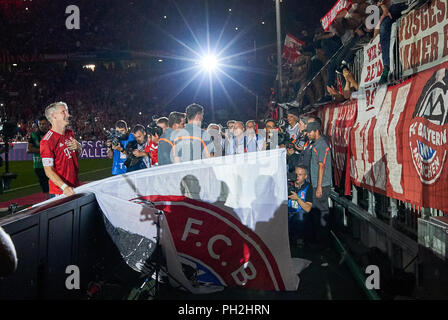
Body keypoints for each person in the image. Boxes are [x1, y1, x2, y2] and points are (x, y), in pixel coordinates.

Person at [40, 102, 81, 198]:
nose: (68, 115)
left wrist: (78, 147)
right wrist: (64, 187)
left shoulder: (70, 133)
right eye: (64, 112)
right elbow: (48, 171)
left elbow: (74, 158)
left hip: (74, 187)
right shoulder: (47, 141)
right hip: (60, 192)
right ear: (53, 116)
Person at [305, 121, 333, 246]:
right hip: (317, 183)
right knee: (318, 212)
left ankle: (323, 242)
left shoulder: (321, 145)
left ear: (316, 131)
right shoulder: (316, 144)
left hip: (321, 185)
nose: (307, 134)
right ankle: (320, 240)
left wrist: (319, 186)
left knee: (321, 212)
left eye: (309, 132)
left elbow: (321, 166)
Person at [288, 166, 313, 245]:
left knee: (300, 216)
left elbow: (308, 208)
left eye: (300, 174)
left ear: (305, 176)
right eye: (296, 174)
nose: (297, 177)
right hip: (287, 214)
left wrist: (297, 198)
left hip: (300, 216)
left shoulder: (308, 187)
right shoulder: (288, 185)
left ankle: (300, 240)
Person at [27, 116, 50, 199]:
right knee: (46, 188)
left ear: (48, 123)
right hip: (39, 165)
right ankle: (49, 205)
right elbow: (28, 150)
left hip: (52, 164)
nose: (41, 126)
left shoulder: (52, 134)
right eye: (40, 124)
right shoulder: (34, 135)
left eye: (43, 124)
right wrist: (43, 150)